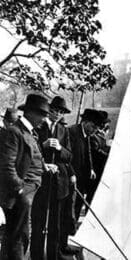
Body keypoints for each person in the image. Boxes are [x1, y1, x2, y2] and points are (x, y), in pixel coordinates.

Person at [0, 94, 57, 260]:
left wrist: (44, 167)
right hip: (20, 195)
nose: (44, 119)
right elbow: (6, 166)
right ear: (31, 113)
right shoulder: (14, 132)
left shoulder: (29, 132)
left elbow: (30, 157)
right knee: (19, 236)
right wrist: (20, 190)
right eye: (42, 115)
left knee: (17, 235)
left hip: (29, 192)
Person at [30, 96, 75, 260]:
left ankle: (53, 255)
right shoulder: (38, 126)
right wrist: (44, 145)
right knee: (38, 222)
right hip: (41, 181)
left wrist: (60, 148)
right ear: (48, 110)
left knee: (55, 224)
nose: (57, 114)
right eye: (54, 110)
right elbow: (30, 151)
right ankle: (36, 256)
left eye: (61, 112)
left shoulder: (64, 130)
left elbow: (69, 156)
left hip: (59, 183)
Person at [68, 109, 108, 221]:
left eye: (97, 128)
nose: (95, 130)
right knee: (71, 204)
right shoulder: (72, 132)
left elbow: (88, 153)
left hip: (82, 175)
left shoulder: (87, 134)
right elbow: (66, 156)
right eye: (93, 127)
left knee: (78, 203)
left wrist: (91, 169)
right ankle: (69, 227)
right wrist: (71, 173)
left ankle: (73, 225)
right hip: (71, 175)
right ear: (85, 122)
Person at [85, 111, 110, 207]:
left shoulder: (100, 137)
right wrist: (109, 155)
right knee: (91, 196)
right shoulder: (93, 136)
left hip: (99, 170)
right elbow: (96, 151)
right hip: (94, 170)